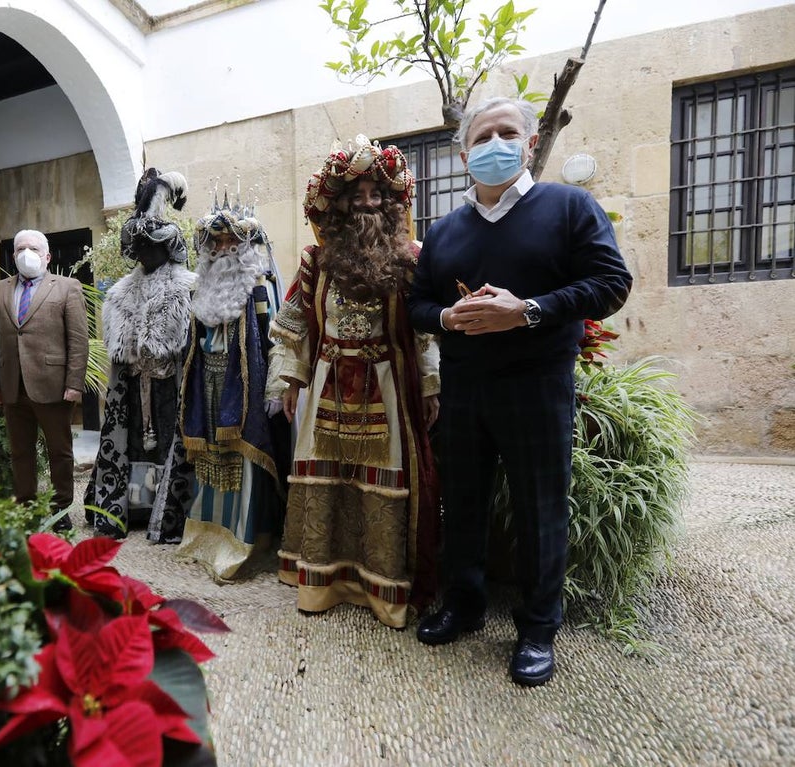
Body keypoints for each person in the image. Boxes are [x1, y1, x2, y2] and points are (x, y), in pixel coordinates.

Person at [406, 97, 633, 687]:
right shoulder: (443, 232)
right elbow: (417, 306)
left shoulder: (569, 207)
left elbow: (611, 284)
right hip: (464, 388)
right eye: (482, 137)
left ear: (530, 144)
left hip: (537, 387)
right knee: (465, 501)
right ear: (463, 154)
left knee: (540, 510)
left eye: (508, 133)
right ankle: (465, 602)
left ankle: (536, 627)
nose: (494, 143)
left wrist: (529, 311)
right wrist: (448, 319)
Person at [270, 136, 441, 630]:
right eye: (356, 194)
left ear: (390, 204)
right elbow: (295, 324)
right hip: (326, 381)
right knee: (327, 478)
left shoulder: (411, 258)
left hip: (387, 388)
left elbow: (424, 329)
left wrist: (429, 384)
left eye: (376, 195)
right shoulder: (314, 261)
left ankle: (382, 590)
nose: (366, 203)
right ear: (339, 203)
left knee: (381, 481)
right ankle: (321, 585)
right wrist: (290, 383)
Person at [177, 193, 292, 581]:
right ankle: (206, 532)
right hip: (206, 381)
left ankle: (245, 538)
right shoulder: (200, 289)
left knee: (244, 461)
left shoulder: (258, 285)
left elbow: (276, 338)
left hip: (245, 387)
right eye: (217, 243)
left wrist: (275, 389)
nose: (223, 249)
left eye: (231, 243)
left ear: (244, 247)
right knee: (210, 457)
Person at [85, 168, 196, 543]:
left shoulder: (186, 288)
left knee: (168, 443)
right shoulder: (119, 294)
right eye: (140, 246)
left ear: (167, 247)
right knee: (132, 445)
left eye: (152, 245)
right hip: (133, 386)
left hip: (169, 385)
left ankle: (168, 514)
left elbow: (188, 347)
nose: (145, 252)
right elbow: (118, 356)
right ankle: (134, 508)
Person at [0, 229, 89, 530]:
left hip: (53, 384)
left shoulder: (68, 287)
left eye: (32, 248)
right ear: (14, 255)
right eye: (20, 249)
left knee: (60, 451)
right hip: (12, 385)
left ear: (47, 256)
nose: (25, 253)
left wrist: (74, 383)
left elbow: (78, 340)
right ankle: (26, 506)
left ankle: (60, 509)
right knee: (20, 451)